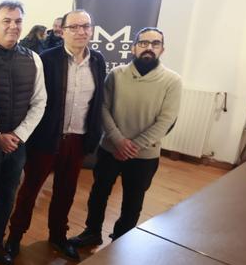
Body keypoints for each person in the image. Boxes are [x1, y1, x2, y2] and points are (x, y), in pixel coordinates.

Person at [5, 10, 106, 265]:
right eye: (75, 27)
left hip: (78, 139)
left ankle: (58, 237)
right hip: (47, 139)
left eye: (86, 26)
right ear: (62, 31)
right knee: (29, 191)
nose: (81, 31)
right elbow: (35, 100)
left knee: (66, 192)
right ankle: (14, 237)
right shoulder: (46, 60)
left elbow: (98, 101)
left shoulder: (97, 61)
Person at [70, 27, 181, 247]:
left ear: (162, 49)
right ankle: (92, 232)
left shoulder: (172, 81)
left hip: (145, 155)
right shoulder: (116, 75)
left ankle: (121, 240)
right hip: (110, 149)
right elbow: (102, 108)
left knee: (133, 201)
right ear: (133, 47)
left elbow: (166, 120)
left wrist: (133, 146)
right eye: (143, 43)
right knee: (99, 194)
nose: (149, 47)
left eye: (155, 43)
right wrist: (119, 141)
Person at [0, 0, 46, 265]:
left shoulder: (33, 58)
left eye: (18, 21)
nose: (13, 26)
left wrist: (18, 135)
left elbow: (40, 101)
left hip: (17, 145)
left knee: (7, 196)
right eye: (7, 20)